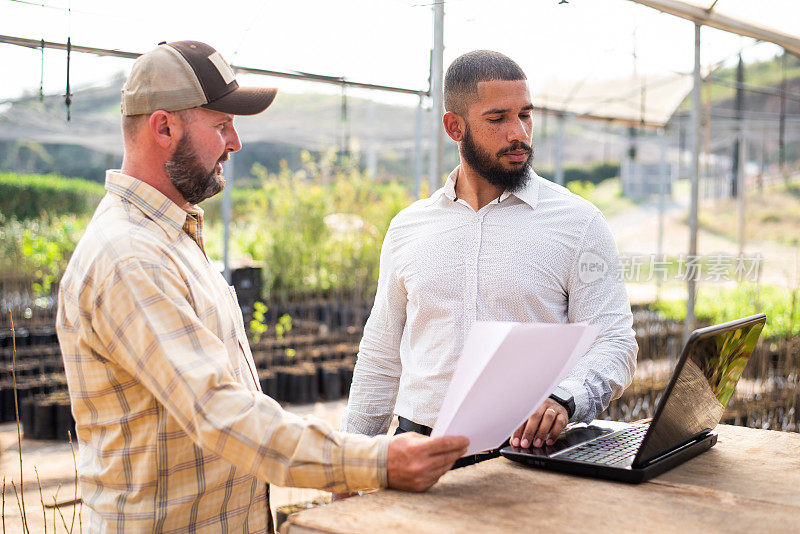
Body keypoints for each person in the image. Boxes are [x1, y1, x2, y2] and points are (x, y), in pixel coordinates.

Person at [56, 40, 467, 533]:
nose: (235, 143)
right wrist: (375, 460)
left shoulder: (172, 236)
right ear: (163, 127)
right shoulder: (130, 257)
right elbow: (220, 413)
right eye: (221, 125)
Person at [341, 50, 637, 459]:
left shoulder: (579, 222)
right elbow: (381, 354)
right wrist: (350, 458)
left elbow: (614, 341)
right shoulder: (408, 227)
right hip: (417, 451)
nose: (519, 133)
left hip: (528, 455)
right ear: (454, 126)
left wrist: (565, 398)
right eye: (498, 119)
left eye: (526, 115)